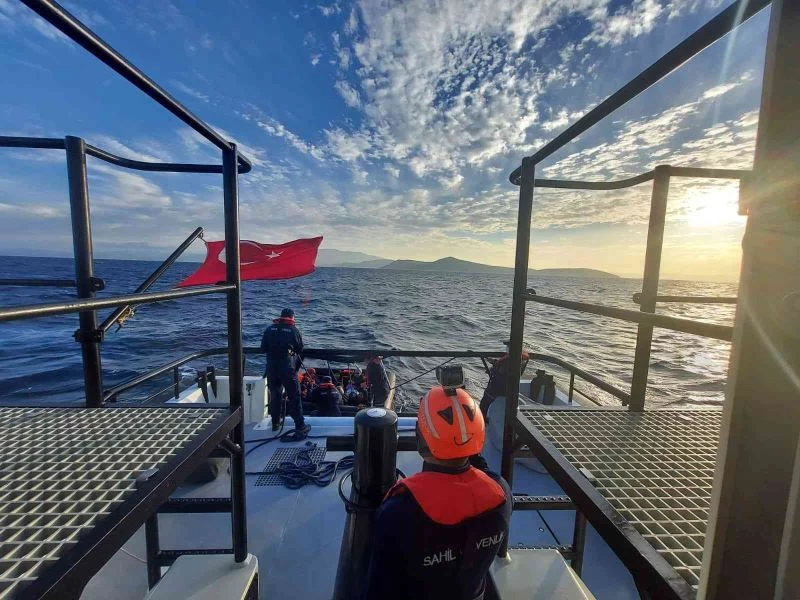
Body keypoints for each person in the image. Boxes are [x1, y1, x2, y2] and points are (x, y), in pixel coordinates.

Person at [363, 386, 512, 600]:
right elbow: (483, 473)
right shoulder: (501, 492)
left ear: (421, 439)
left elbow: (379, 590)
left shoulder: (397, 512)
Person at [260, 308, 310, 437]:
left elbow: (263, 348)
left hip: (272, 369)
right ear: (292, 318)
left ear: (281, 317)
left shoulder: (269, 329)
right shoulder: (293, 330)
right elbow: (300, 348)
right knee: (294, 396)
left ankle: (275, 423)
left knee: (275, 395)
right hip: (287, 369)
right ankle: (300, 425)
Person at [479, 350, 529, 417]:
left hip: (497, 391)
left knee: (484, 404)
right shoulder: (522, 359)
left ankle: (483, 418)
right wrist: (494, 362)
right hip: (511, 391)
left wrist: (493, 370)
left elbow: (501, 374)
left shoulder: (508, 361)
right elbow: (507, 365)